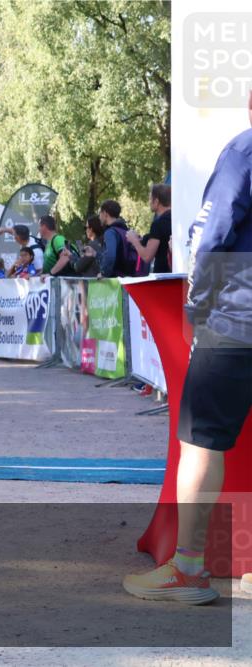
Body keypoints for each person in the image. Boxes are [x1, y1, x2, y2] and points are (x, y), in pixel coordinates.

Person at [123, 93, 252, 606]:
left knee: (200, 442)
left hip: (238, 314)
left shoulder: (244, 150)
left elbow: (212, 234)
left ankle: (190, 571)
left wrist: (196, 308)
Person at [126, 183, 172, 274]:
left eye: (150, 199)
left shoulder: (158, 224)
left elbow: (147, 256)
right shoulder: (174, 219)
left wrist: (134, 240)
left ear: (157, 201)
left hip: (163, 277)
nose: (149, 202)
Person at [98, 200, 136, 278]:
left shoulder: (110, 232)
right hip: (126, 277)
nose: (99, 217)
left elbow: (111, 256)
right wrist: (95, 254)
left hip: (115, 280)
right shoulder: (124, 230)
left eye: (100, 213)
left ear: (105, 213)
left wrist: (103, 273)